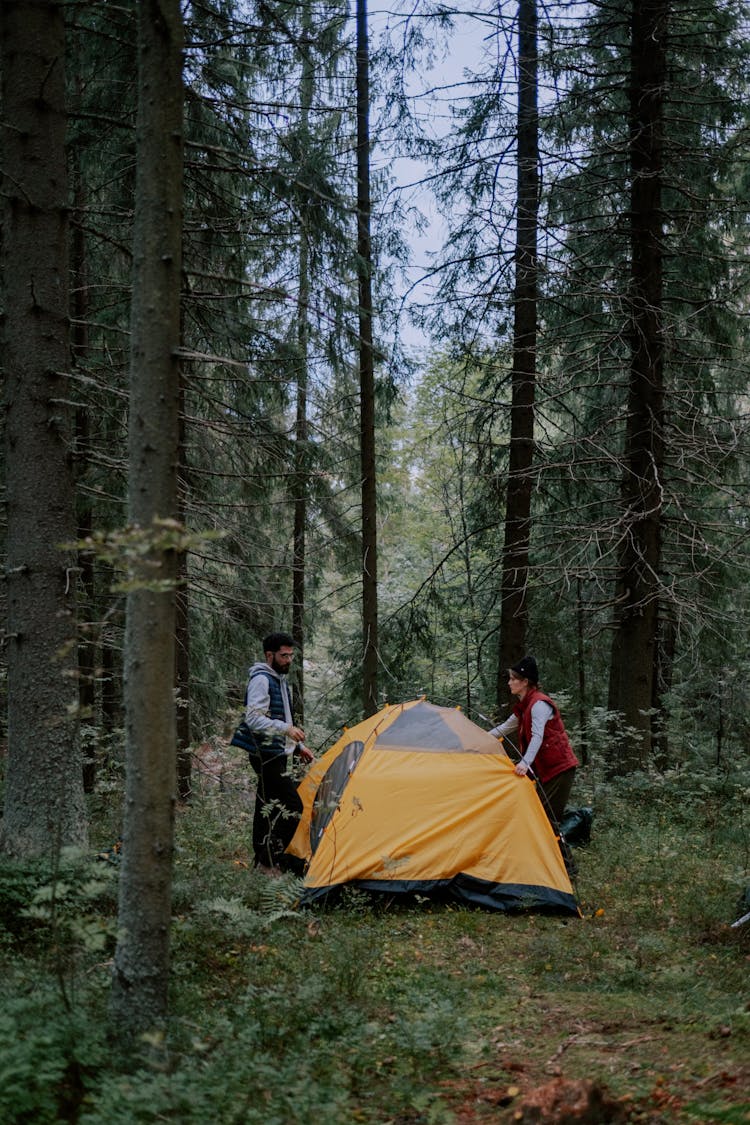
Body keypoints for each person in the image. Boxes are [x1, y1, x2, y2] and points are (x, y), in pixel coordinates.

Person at [239, 631, 313, 876]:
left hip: (277, 752)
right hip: (265, 754)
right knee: (293, 806)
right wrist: (287, 730)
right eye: (283, 656)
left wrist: (298, 747)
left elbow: (284, 718)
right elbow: (253, 719)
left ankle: (261, 861)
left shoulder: (278, 679)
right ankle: (269, 861)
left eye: (291, 655)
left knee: (267, 806)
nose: (288, 660)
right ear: (269, 655)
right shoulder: (261, 679)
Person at [489, 655, 579, 833]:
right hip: (545, 768)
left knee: (546, 820)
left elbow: (537, 736)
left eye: (514, 679)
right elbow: (504, 728)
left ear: (525, 682)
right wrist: (479, 738)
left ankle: (563, 861)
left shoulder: (539, 705)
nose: (509, 683)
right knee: (536, 813)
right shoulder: (525, 706)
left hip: (559, 768)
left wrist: (524, 763)